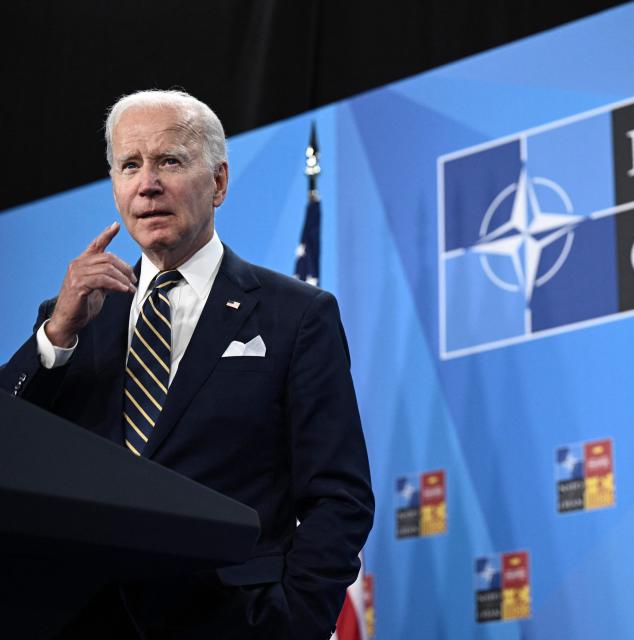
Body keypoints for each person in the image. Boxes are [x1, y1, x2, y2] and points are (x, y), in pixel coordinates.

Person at [0, 89, 374, 639]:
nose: (147, 183)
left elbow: (339, 496)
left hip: (232, 622)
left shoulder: (295, 315)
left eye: (169, 161)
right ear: (115, 186)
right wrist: (56, 335)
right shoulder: (75, 320)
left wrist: (291, 622)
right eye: (130, 165)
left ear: (218, 182)